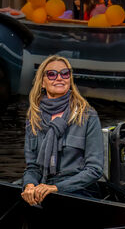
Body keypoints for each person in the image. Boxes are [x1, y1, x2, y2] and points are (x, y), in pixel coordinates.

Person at [21, 55, 103, 204]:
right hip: (43, 187)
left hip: (78, 191)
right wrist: (30, 185)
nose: (59, 78)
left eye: (65, 73)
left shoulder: (88, 116)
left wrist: (56, 188)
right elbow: (32, 167)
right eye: (52, 74)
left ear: (69, 79)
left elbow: (94, 170)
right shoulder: (33, 119)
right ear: (42, 82)